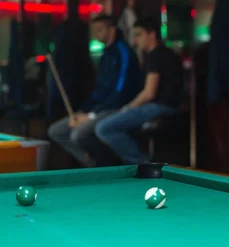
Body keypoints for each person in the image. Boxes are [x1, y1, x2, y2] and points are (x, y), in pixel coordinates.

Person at [47, 14, 142, 167]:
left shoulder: (123, 52)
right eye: (95, 30)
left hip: (118, 108)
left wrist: (91, 115)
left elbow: (120, 92)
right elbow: (97, 92)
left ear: (111, 30)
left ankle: (105, 165)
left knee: (78, 134)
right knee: (56, 131)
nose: (96, 34)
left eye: (100, 30)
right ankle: (92, 163)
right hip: (99, 109)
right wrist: (81, 113)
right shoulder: (105, 54)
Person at [95, 16, 183, 165]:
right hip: (164, 106)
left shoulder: (156, 55)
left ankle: (142, 163)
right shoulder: (162, 53)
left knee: (103, 128)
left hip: (160, 107)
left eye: (139, 35)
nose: (135, 40)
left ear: (152, 34)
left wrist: (128, 107)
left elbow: (149, 93)